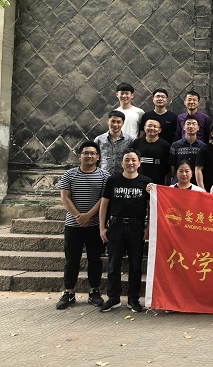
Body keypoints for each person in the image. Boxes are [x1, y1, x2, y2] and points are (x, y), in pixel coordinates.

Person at [56, 141, 110, 310]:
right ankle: (69, 292)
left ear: (98, 157)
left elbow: (104, 199)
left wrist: (88, 216)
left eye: (92, 153)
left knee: (95, 259)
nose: (89, 156)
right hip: (73, 225)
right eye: (86, 153)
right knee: (71, 260)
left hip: (95, 225)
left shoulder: (104, 175)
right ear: (79, 156)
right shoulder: (69, 174)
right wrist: (78, 216)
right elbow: (65, 197)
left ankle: (94, 291)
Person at [98, 149, 152, 313]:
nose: (130, 163)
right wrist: (102, 227)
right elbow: (104, 204)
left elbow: (151, 206)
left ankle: (133, 299)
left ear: (139, 163)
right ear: (121, 163)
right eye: (127, 160)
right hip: (116, 225)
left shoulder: (146, 182)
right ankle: (113, 298)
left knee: (135, 265)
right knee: (113, 264)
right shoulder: (113, 180)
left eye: (133, 160)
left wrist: (148, 227)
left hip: (136, 226)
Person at [94, 110, 134, 176]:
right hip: (102, 176)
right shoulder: (99, 140)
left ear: (123, 123)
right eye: (113, 121)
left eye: (118, 122)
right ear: (108, 121)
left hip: (123, 176)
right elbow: (94, 159)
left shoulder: (130, 140)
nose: (115, 125)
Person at [131, 119, 171, 185]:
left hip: (157, 182)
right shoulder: (137, 143)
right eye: (149, 126)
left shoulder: (165, 145)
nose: (152, 128)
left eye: (155, 126)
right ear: (144, 128)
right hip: (137, 181)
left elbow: (167, 167)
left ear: (160, 130)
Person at [169, 115, 205, 184]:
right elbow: (172, 165)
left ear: (198, 128)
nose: (191, 126)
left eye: (193, 124)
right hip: (178, 181)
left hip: (196, 182)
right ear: (184, 127)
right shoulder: (175, 145)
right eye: (188, 124)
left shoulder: (203, 147)